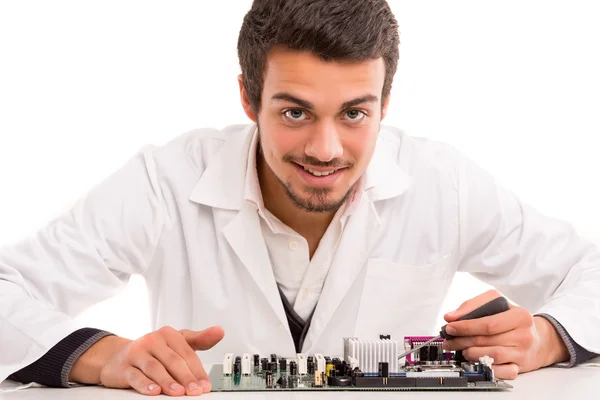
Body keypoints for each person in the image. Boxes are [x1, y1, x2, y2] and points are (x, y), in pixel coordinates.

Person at [1, 0, 599, 396]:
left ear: (385, 104)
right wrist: (98, 354)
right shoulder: (165, 181)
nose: (325, 149)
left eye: (355, 113)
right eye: (294, 112)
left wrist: (546, 337)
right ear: (247, 99)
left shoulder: (445, 182)